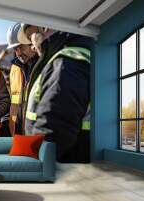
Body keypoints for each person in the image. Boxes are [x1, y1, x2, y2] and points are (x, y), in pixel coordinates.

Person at [17, 24, 92, 163]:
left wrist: (30, 163)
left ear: (44, 28)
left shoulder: (66, 63)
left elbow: (53, 129)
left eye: (31, 36)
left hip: (66, 165)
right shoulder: (66, 58)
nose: (32, 46)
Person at [6, 23, 38, 135]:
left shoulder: (45, 66)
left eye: (20, 47)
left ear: (31, 41)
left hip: (37, 135)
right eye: (15, 49)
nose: (18, 53)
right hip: (17, 134)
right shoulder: (14, 68)